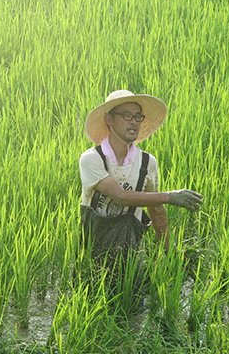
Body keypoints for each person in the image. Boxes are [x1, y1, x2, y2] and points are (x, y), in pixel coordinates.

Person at [79, 90, 203, 296]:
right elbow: (120, 196)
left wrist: (169, 251)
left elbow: (155, 208)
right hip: (94, 252)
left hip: (131, 253)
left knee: (133, 304)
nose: (134, 122)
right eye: (126, 115)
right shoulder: (92, 159)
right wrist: (171, 196)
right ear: (109, 119)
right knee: (92, 304)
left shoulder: (147, 162)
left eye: (138, 116)